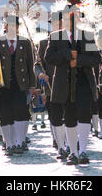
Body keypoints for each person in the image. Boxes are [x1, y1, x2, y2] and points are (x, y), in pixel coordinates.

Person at [45, 9, 101, 165]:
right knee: (69, 117)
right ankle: (73, 152)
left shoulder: (87, 36)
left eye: (75, 19)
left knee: (84, 115)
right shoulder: (56, 37)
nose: (72, 22)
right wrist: (67, 55)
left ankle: (83, 150)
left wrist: (79, 60)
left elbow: (96, 58)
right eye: (69, 19)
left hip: (83, 82)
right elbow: (49, 58)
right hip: (64, 83)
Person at [0, 15, 36, 157]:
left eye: (15, 25)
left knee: (21, 112)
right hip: (3, 85)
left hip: (21, 84)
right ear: (5, 26)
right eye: (9, 25)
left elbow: (30, 65)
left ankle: (19, 142)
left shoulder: (25, 42)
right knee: (6, 114)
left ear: (18, 27)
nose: (12, 28)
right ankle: (9, 143)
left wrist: (32, 86)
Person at [34, 10, 63, 154]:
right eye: (54, 24)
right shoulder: (44, 43)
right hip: (50, 86)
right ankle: (57, 140)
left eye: (60, 23)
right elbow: (37, 64)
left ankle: (67, 141)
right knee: (54, 115)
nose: (57, 26)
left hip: (68, 85)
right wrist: (40, 74)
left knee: (67, 115)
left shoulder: (72, 41)